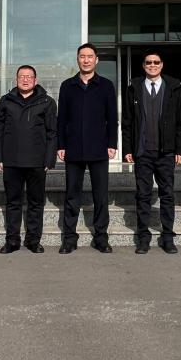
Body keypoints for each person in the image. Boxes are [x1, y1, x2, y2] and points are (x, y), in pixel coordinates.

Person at [122, 50, 181, 255]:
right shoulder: (134, 88)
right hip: (142, 152)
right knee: (143, 195)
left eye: (156, 62)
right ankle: (143, 238)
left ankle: (167, 237)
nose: (152, 65)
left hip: (166, 152)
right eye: (148, 62)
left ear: (162, 65)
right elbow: (127, 122)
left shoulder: (173, 88)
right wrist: (128, 149)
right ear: (143, 65)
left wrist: (180, 149)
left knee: (167, 194)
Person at [57, 43, 118, 254]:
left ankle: (101, 237)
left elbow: (112, 117)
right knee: (71, 195)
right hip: (73, 148)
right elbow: (61, 118)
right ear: (77, 59)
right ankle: (69, 238)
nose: (86, 60)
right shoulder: (67, 86)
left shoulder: (106, 85)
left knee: (100, 195)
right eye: (82, 56)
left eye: (90, 56)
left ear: (96, 60)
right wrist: (61, 145)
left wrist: (112, 144)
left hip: (99, 148)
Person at [0, 65, 58, 254]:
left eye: (29, 76)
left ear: (35, 80)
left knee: (36, 203)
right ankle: (12, 241)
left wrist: (49, 159)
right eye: (22, 76)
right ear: (16, 79)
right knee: (13, 202)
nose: (25, 79)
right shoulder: (6, 101)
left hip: (37, 161)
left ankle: (33, 240)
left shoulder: (46, 102)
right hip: (11, 160)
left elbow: (52, 132)